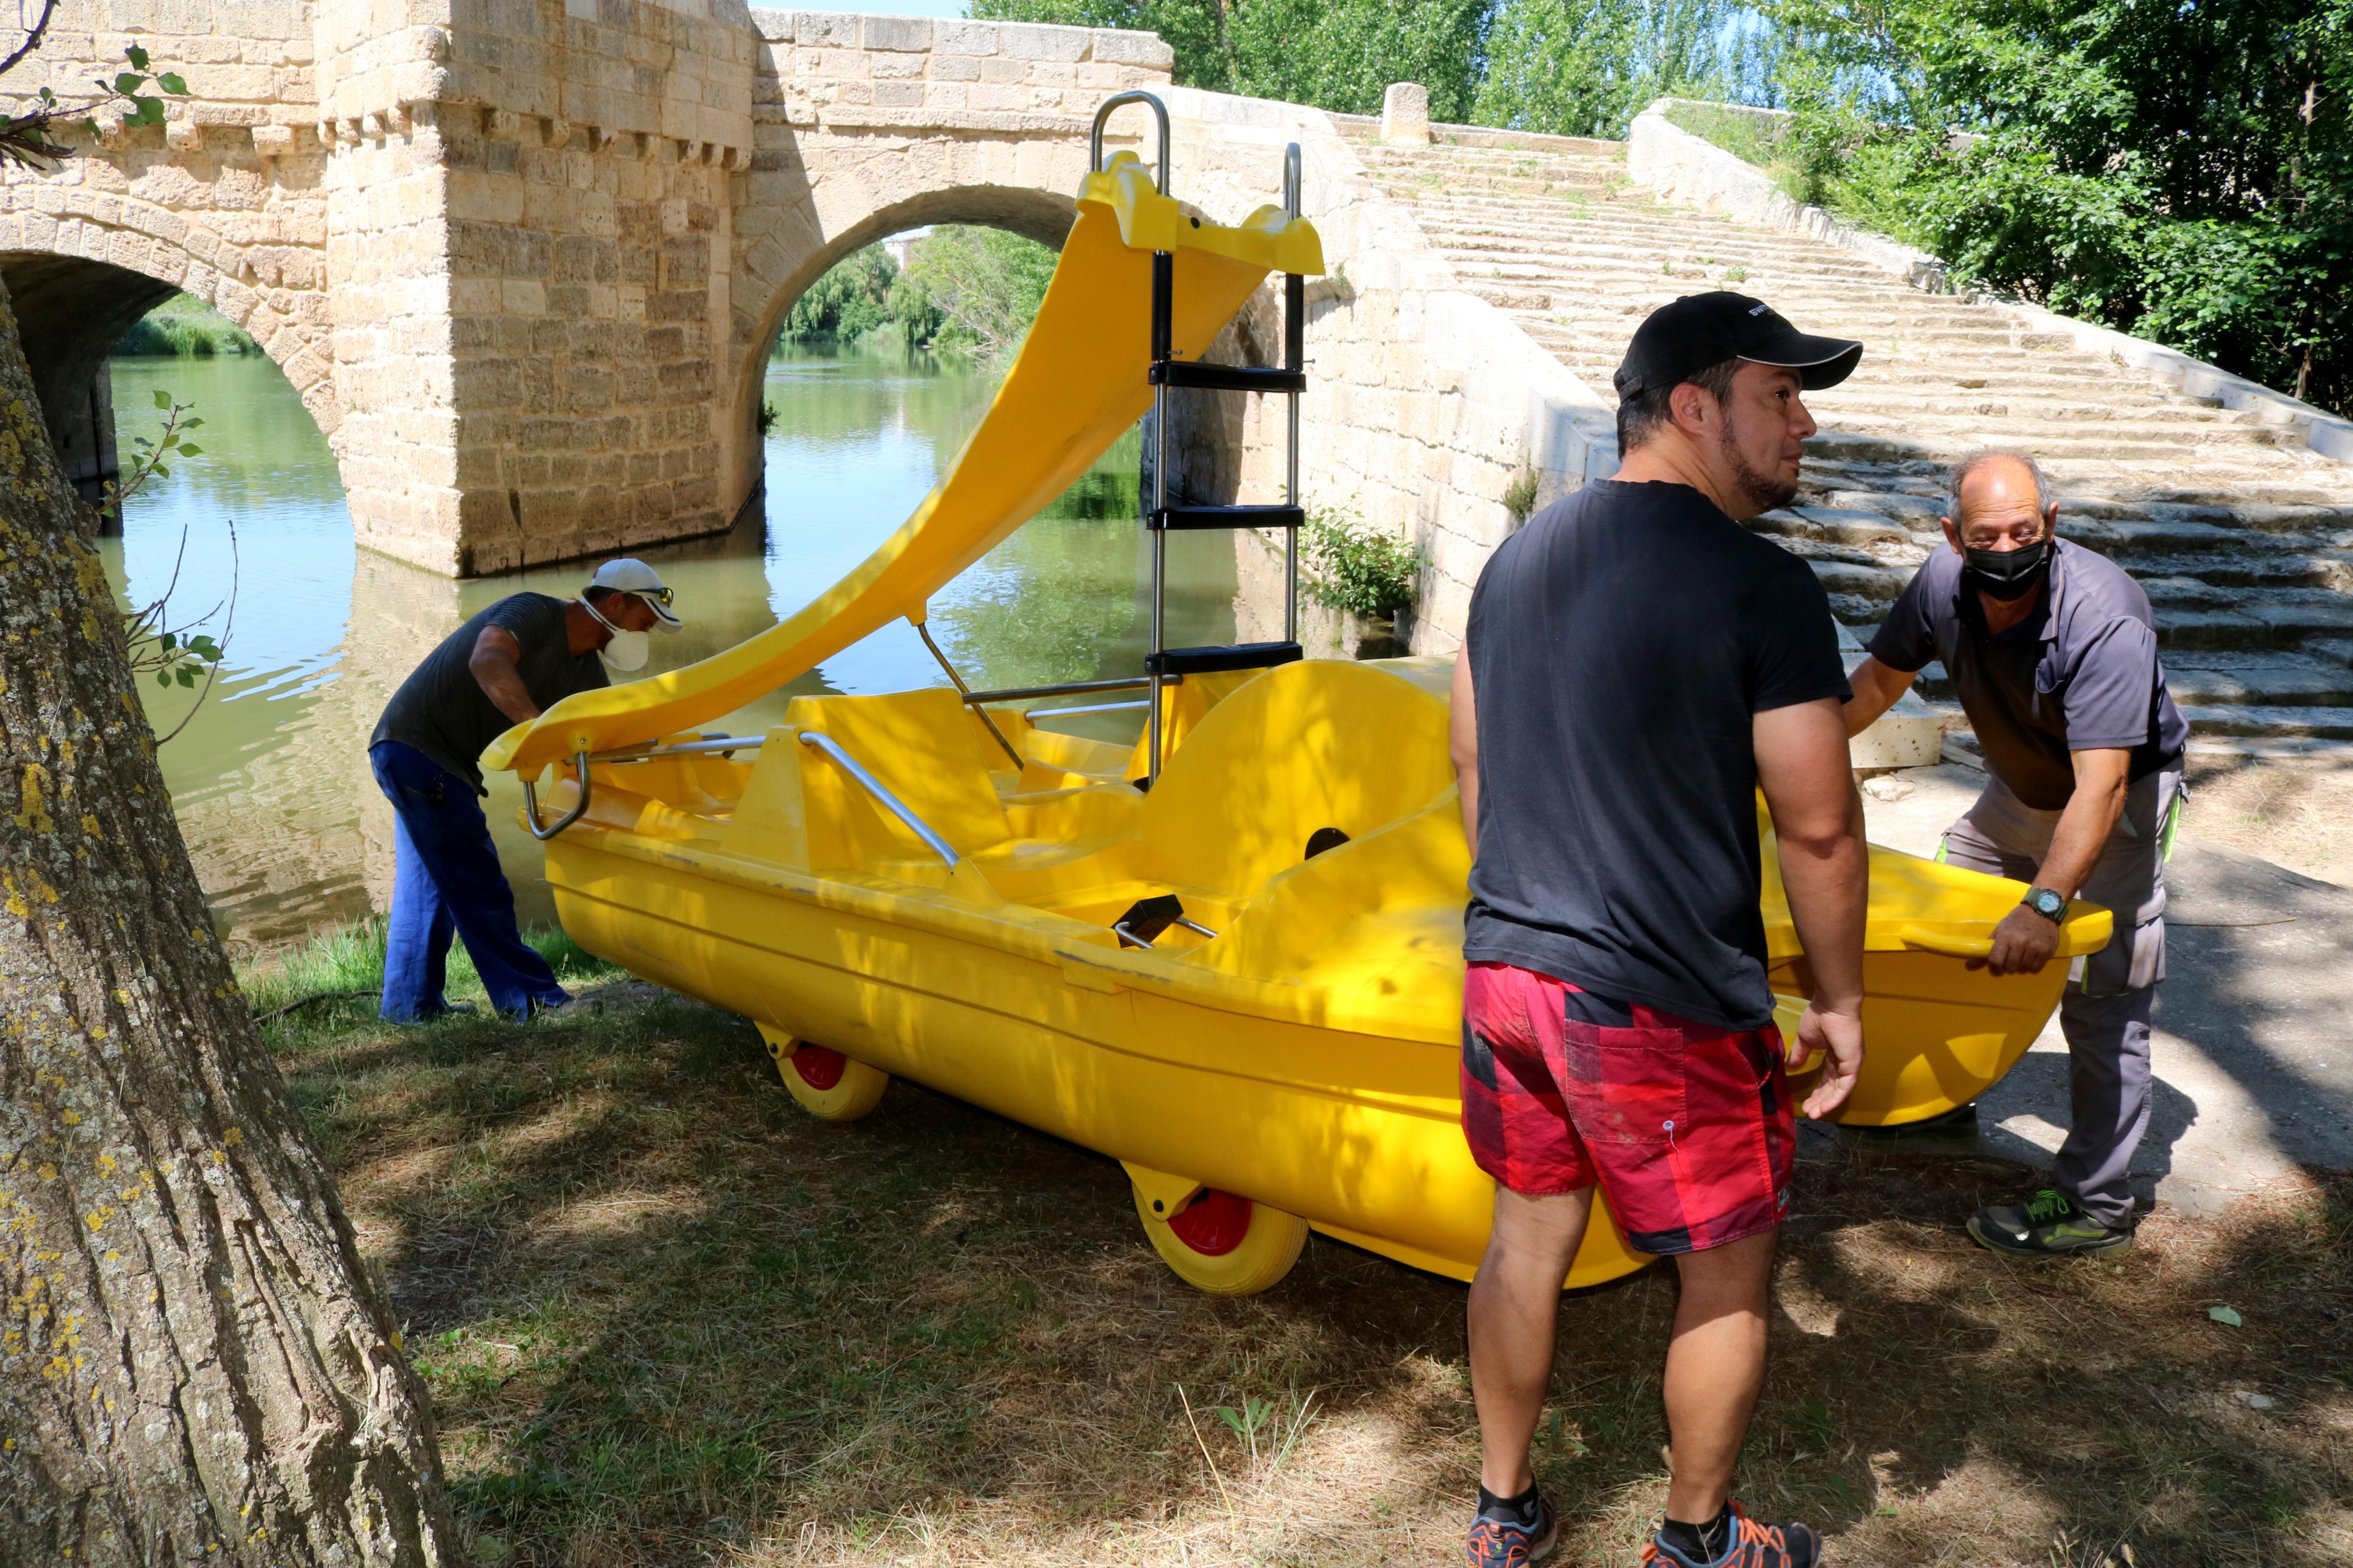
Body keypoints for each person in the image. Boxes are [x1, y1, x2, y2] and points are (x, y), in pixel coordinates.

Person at [1451, 291, 1871, 1568]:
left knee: (1524, 1237)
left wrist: (1533, 901)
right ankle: (1696, 1543)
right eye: (1778, 397)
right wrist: (1840, 1000)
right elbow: (1815, 826)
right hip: (1652, 1001)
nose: (1801, 426)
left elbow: (1470, 757)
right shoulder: (1759, 583)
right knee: (1727, 1268)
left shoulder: (1514, 559)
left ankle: (1502, 1511)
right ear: (1692, 407)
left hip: (1506, 974)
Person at [1843, 450, 2187, 1257]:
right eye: (1985, 535)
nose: (2006, 550)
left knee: (2105, 993)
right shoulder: (1938, 583)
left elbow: (2098, 788)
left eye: (2022, 531)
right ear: (1952, 537)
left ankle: (2094, 1201)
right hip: (2015, 788)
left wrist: (2043, 902)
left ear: (2052, 524)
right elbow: (1871, 688)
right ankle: (1935, 1100)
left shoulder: (2103, 616)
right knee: (1929, 936)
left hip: (2115, 803)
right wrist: (1771, 769)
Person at [367, 559, 683, 1023]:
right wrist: (536, 733)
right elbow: (486, 659)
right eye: (646, 619)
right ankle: (532, 1002)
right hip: (419, 749)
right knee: (479, 883)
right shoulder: (534, 611)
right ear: (616, 602)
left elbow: (601, 744)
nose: (648, 630)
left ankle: (410, 1006)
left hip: (413, 754)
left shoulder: (584, 677)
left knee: (429, 888)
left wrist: (669, 750)